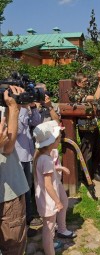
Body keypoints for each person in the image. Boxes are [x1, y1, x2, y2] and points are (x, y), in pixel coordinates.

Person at [33, 120, 76, 255]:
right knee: (49, 229)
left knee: (49, 228)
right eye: (57, 139)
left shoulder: (41, 157)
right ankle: (49, 250)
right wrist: (57, 201)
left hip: (45, 199)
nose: (59, 141)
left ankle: (50, 244)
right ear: (51, 142)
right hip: (49, 200)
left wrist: (59, 167)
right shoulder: (45, 159)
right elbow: (47, 184)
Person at [0, 86, 29, 255]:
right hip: (8, 192)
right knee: (13, 246)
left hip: (10, 188)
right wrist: (13, 108)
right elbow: (8, 146)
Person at [69, 71, 100, 182]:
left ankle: (94, 173)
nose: (87, 82)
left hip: (93, 126)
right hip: (85, 128)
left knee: (97, 151)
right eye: (84, 81)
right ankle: (85, 176)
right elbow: (95, 97)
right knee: (87, 153)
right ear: (78, 83)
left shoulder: (84, 91)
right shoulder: (77, 93)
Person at [15, 103, 42, 237]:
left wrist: (33, 108)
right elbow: (18, 130)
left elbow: (37, 122)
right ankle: (23, 224)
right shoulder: (8, 110)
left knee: (27, 188)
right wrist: (22, 108)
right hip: (17, 156)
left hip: (27, 155)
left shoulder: (23, 110)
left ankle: (28, 219)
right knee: (21, 191)